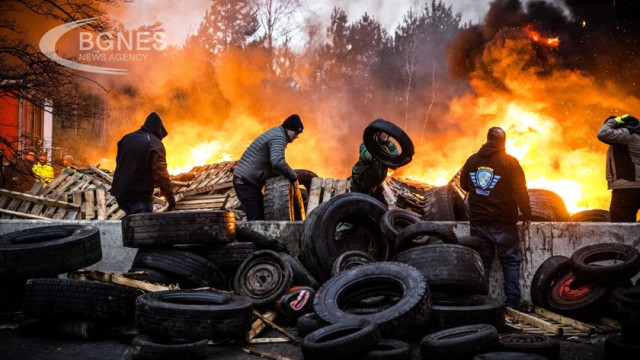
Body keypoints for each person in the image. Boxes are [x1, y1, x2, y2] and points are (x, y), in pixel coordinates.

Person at [460, 127, 531, 309]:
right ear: (503, 142)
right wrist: (526, 212)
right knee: (510, 261)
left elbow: (463, 185)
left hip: (479, 222)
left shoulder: (472, 160)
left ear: (487, 139)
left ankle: (480, 304)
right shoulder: (510, 162)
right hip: (503, 222)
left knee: (483, 262)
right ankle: (512, 303)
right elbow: (520, 191)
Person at [233, 114, 303, 220]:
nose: (296, 136)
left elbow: (273, 164)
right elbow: (277, 161)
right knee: (256, 220)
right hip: (245, 183)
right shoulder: (279, 137)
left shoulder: (276, 132)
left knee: (259, 215)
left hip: (246, 181)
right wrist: (294, 177)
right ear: (288, 129)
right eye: (296, 132)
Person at [110, 112, 175, 215]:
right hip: (138, 196)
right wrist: (170, 199)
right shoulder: (154, 143)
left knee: (130, 222)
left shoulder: (127, 138)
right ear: (159, 129)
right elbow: (161, 174)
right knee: (142, 226)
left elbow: (120, 161)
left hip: (120, 194)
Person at [597, 114, 640, 222]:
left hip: (626, 190)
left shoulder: (629, 135)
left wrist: (615, 120)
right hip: (633, 187)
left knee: (621, 229)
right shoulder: (635, 135)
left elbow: (602, 134)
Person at [350, 131, 398, 202]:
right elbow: (366, 155)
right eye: (384, 132)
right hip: (360, 183)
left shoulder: (389, 145)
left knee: (382, 208)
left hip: (376, 185)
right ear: (378, 133)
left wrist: (387, 154)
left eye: (388, 133)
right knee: (356, 205)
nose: (387, 135)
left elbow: (396, 156)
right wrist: (380, 153)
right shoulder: (367, 144)